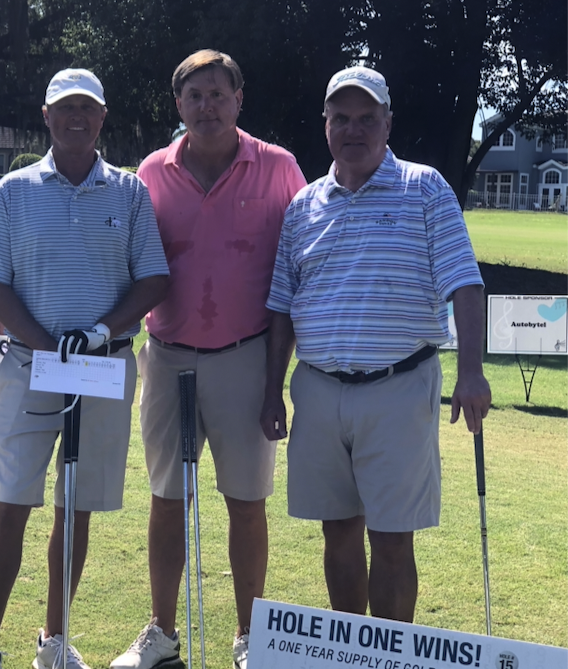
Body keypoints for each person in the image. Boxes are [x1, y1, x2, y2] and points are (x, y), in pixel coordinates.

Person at [260, 66, 492, 623]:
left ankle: (389, 656)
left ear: (388, 123)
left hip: (398, 386)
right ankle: (351, 654)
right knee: (338, 531)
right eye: (341, 118)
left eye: (367, 118)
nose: (354, 130)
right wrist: (272, 391)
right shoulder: (303, 206)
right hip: (319, 389)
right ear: (326, 125)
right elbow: (282, 307)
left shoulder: (424, 188)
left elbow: (465, 283)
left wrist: (472, 371)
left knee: (391, 539)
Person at [0, 68, 169, 669]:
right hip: (32, 367)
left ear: (102, 117)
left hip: (102, 368)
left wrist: (100, 330)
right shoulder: (15, 190)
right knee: (11, 502)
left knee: (75, 508)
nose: (76, 117)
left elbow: (153, 278)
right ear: (47, 116)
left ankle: (54, 639)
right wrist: (44, 344)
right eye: (65, 108)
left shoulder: (130, 192)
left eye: (87, 108)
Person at [111, 50, 306, 669]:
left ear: (239, 99)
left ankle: (251, 636)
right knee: (167, 499)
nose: (207, 106)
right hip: (168, 357)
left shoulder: (279, 167)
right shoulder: (152, 171)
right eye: (194, 96)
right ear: (179, 105)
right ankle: (162, 633)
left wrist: (277, 380)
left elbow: (298, 268)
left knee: (246, 503)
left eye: (218, 94)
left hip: (246, 357)